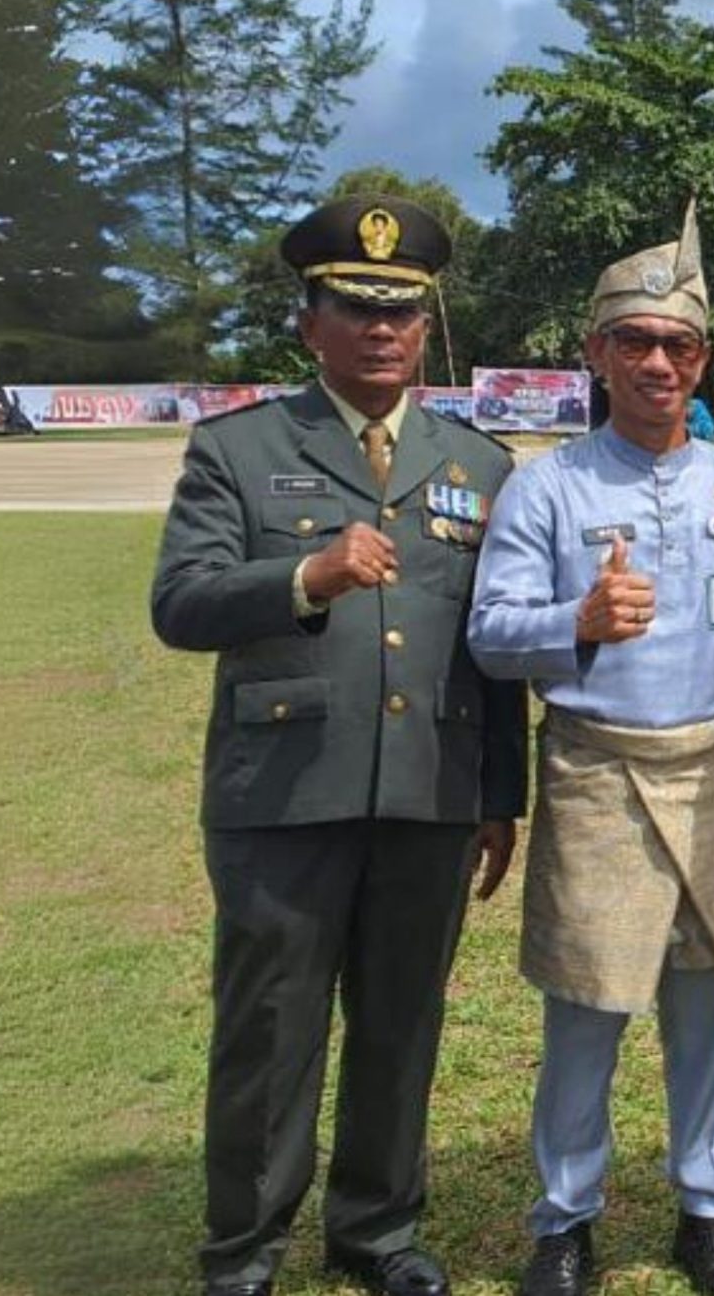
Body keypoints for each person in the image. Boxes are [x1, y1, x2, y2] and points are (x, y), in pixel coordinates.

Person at [151, 195, 528, 1296]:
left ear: (424, 327)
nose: (381, 332)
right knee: (270, 1028)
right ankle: (246, 1245)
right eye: (356, 309)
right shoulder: (241, 447)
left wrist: (500, 795)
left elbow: (488, 649)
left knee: (402, 1022)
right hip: (284, 791)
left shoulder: (480, 464)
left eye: (402, 314)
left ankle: (377, 1232)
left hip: (430, 789)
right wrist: (302, 578)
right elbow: (179, 604)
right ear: (308, 321)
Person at [468, 207, 714, 1296]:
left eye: (681, 345)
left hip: (713, 772)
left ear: (703, 359)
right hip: (596, 774)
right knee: (587, 1004)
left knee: (704, 1002)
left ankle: (708, 1205)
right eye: (637, 342)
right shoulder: (549, 486)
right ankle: (564, 1217)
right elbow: (487, 633)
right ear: (595, 351)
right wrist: (575, 619)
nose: (660, 363)